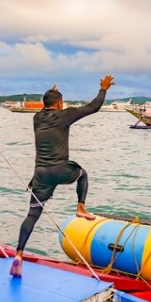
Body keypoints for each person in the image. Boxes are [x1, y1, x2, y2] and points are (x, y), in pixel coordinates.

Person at [11, 74, 115, 277]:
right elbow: (93, 107)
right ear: (59, 104)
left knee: (32, 215)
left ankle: (19, 254)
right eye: (61, 102)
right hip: (60, 169)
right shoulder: (64, 115)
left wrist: (52, 94)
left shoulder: (36, 118)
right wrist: (103, 89)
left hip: (40, 174)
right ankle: (81, 208)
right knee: (82, 174)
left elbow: (46, 107)